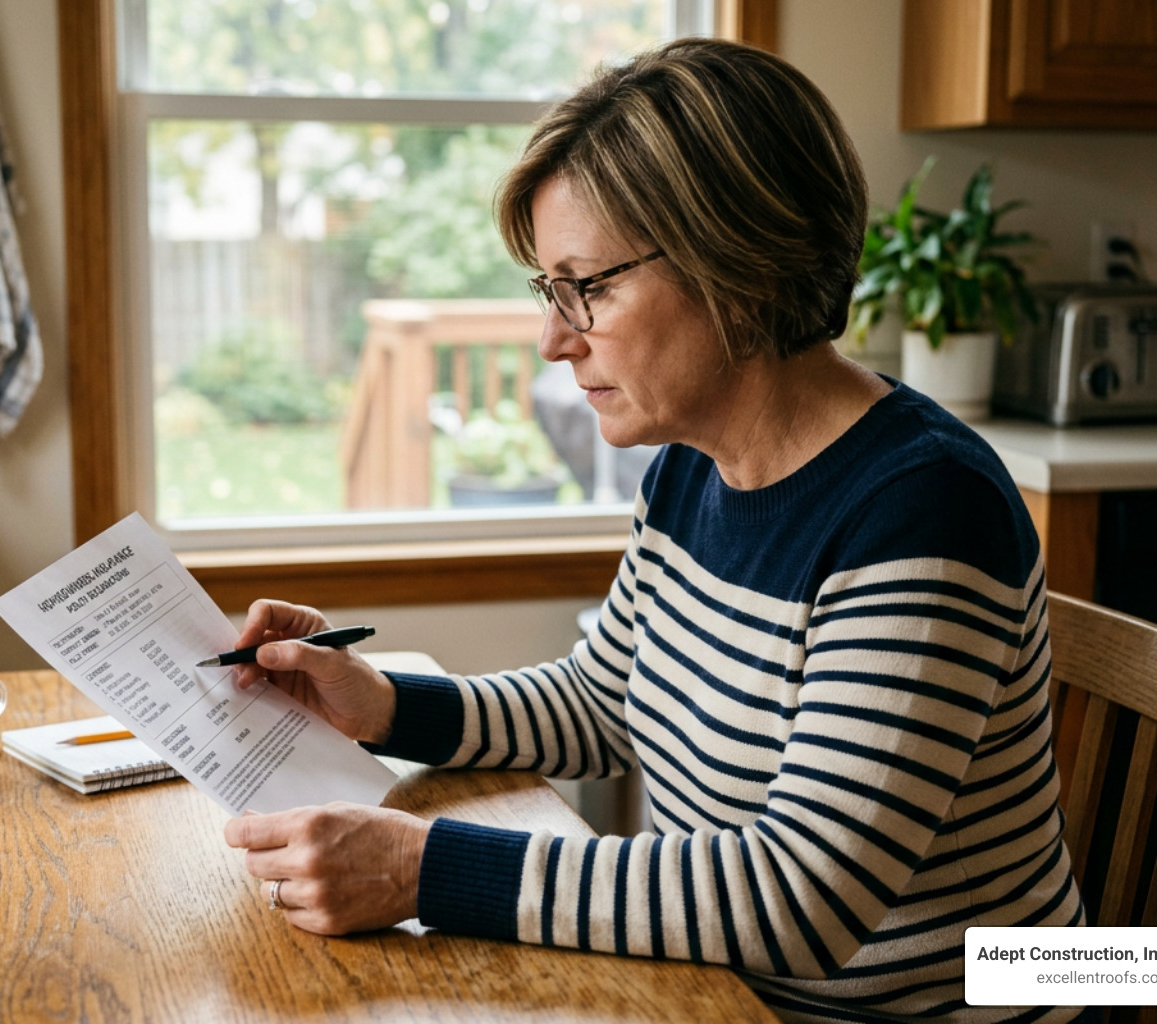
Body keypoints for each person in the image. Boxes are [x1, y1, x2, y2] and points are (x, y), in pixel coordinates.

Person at [223, 37, 1086, 1023]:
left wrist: (423, 869)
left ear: (738, 264)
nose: (555, 337)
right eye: (550, 291)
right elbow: (606, 700)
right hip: (722, 996)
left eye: (587, 285)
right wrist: (378, 703)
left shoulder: (921, 508)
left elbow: (800, 899)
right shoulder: (694, 463)